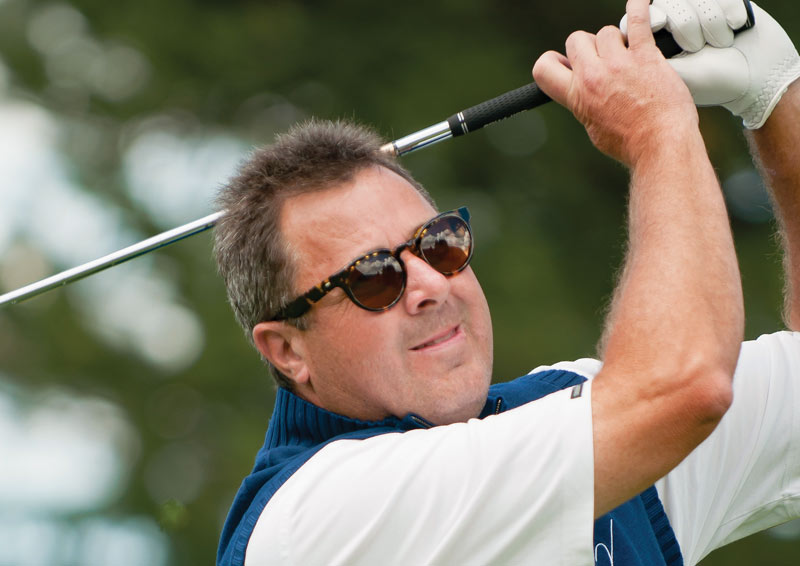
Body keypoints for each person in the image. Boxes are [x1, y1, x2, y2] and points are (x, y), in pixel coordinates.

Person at [214, 0, 800, 564]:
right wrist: (659, 133)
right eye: (372, 277)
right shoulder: (311, 518)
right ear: (287, 350)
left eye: (437, 245)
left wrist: (777, 95)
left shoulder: (571, 406)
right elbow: (684, 389)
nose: (430, 286)